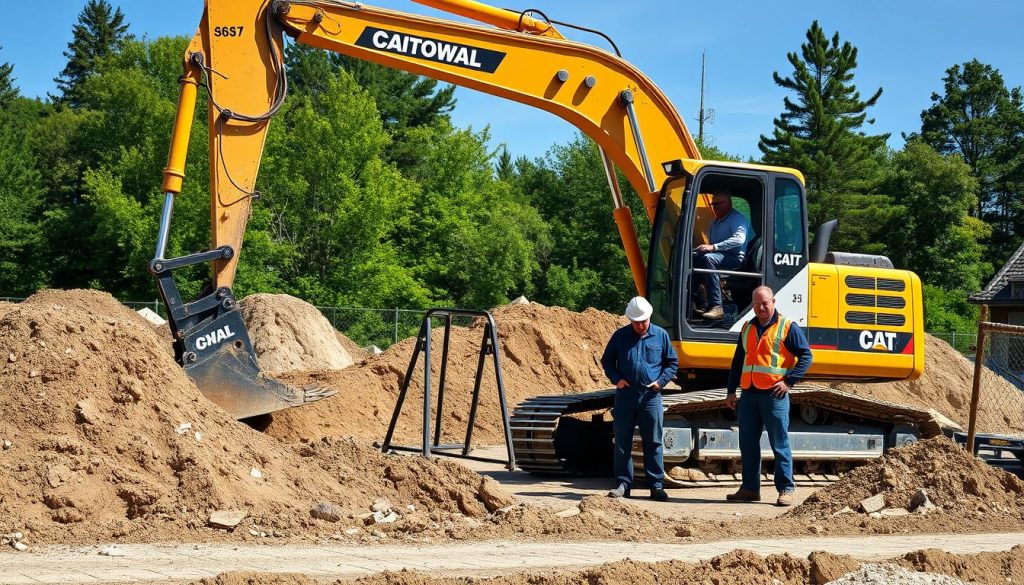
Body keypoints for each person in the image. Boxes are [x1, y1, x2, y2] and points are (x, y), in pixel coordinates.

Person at [724, 286, 812, 507]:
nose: (761, 308)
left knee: (779, 443)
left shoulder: (787, 327)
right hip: (749, 394)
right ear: (752, 305)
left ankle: (786, 489)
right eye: (757, 304)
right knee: (748, 444)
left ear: (773, 301)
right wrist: (731, 390)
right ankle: (749, 489)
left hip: (774, 395)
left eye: (765, 303)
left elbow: (806, 356)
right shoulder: (747, 328)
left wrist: (789, 381)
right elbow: (737, 362)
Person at [600, 296, 679, 501]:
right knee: (622, 442)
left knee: (653, 442)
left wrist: (661, 382)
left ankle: (656, 486)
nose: (641, 325)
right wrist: (616, 379)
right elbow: (607, 360)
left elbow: (672, 363)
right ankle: (623, 484)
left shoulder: (660, 336)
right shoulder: (620, 336)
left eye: (643, 322)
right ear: (630, 320)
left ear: (649, 318)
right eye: (636, 322)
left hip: (650, 397)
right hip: (626, 396)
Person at [693, 189, 752, 320]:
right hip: (719, 255)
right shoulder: (715, 222)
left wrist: (713, 247)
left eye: (719, 204)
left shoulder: (736, 218)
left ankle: (717, 306)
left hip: (735, 258)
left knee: (709, 259)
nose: (715, 207)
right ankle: (699, 302)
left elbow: (739, 239)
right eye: (713, 205)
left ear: (729, 203)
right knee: (694, 258)